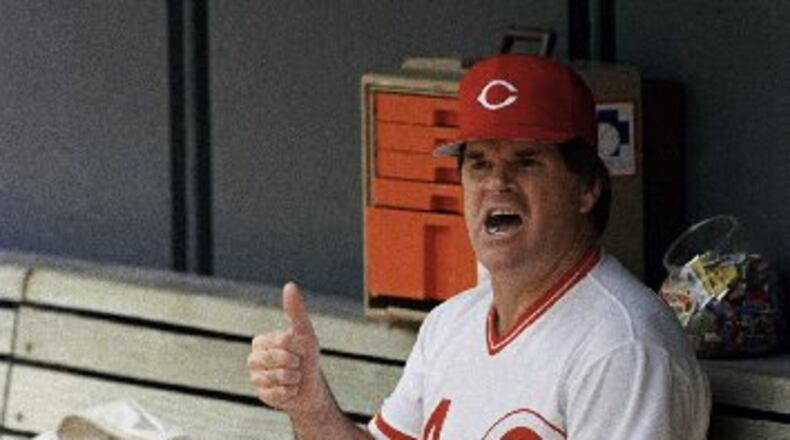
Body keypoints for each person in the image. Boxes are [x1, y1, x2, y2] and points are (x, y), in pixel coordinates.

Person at [247, 53, 711, 439]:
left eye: (527, 162)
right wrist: (309, 405)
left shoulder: (622, 346)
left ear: (587, 188)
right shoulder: (451, 324)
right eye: (480, 164)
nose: (498, 184)